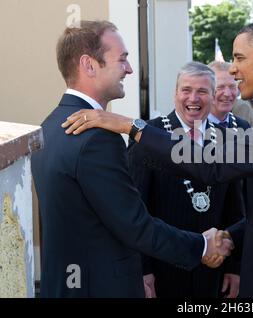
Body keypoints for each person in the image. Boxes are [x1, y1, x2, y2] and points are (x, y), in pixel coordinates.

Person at [62, 21, 253, 298]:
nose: (234, 69)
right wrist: (229, 236)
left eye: (239, 58)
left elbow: (212, 165)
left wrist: (132, 127)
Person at [31, 21, 232, 298]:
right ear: (89, 65)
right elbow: (134, 225)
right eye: (122, 59)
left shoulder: (49, 126)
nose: (130, 69)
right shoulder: (97, 137)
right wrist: (201, 246)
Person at [128, 62, 244, 298]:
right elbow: (135, 209)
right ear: (175, 94)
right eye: (186, 90)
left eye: (202, 91)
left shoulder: (227, 140)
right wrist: (142, 269)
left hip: (214, 270)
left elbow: (235, 209)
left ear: (212, 96)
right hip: (163, 268)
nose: (194, 98)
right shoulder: (149, 136)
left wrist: (235, 268)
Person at [207, 61, 251, 131]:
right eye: (220, 87)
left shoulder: (243, 126)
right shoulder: (194, 129)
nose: (227, 94)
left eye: (232, 86)